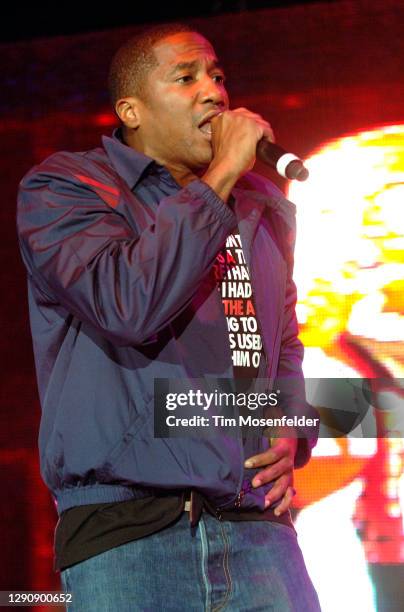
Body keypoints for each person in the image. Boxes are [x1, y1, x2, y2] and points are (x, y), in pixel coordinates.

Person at [17, 22, 321, 611]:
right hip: (129, 532)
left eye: (217, 76)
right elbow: (127, 305)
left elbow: (280, 343)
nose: (213, 92)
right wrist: (221, 177)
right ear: (130, 109)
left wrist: (291, 426)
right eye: (186, 77)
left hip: (260, 531)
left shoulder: (261, 207)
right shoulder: (66, 187)